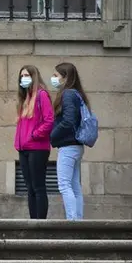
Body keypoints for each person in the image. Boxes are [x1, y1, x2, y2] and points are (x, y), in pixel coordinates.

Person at [14, 65, 54, 219]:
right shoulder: (25, 98)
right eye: (21, 75)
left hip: (37, 147)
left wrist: (34, 134)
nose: (23, 78)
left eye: (26, 75)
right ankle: (33, 221)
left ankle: (41, 223)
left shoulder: (41, 95)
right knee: (30, 188)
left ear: (34, 77)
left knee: (38, 187)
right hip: (24, 148)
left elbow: (49, 121)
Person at [49, 62, 88, 221]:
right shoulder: (77, 94)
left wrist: (52, 135)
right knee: (74, 185)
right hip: (76, 145)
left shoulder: (68, 95)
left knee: (64, 185)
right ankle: (77, 219)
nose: (53, 78)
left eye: (56, 75)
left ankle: (72, 221)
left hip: (68, 145)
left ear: (65, 78)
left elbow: (68, 121)